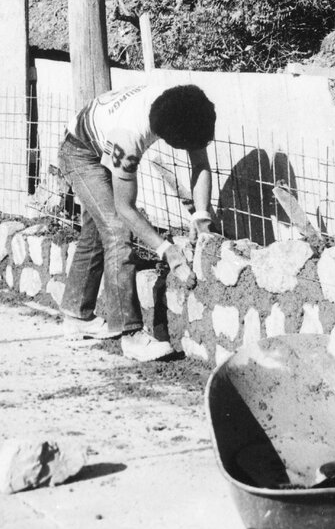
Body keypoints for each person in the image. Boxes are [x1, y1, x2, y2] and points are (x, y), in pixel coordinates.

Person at [58, 82, 217, 362]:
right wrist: (168, 252)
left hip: (98, 134)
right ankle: (129, 334)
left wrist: (201, 216)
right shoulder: (129, 137)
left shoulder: (184, 106)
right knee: (116, 230)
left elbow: (201, 164)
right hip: (81, 153)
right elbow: (125, 209)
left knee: (97, 229)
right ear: (166, 139)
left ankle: (76, 315)